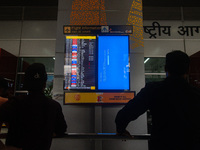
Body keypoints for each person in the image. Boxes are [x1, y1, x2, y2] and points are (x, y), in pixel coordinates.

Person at [115, 50, 200, 150]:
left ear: (165, 68)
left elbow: (126, 113)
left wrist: (121, 129)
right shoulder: (196, 94)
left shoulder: (153, 90)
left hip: (161, 145)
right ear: (188, 70)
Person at [0, 63, 67, 150]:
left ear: (26, 83)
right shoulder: (54, 106)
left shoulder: (13, 104)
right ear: (44, 84)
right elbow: (61, 130)